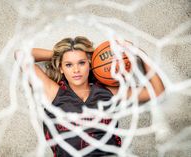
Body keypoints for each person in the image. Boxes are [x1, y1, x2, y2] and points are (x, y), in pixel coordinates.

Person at [16, 36, 165, 157]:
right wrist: (59, 55)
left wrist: (139, 54)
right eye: (68, 65)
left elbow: (158, 91)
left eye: (81, 63)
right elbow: (20, 54)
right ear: (61, 68)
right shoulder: (52, 92)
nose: (76, 70)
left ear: (90, 64)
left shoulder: (109, 92)